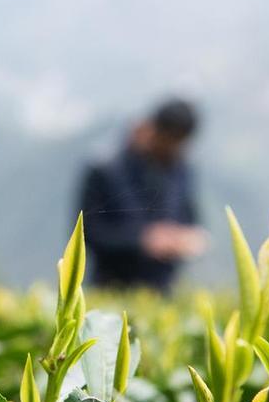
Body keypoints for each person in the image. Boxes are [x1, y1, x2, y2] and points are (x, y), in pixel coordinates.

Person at [78, 98, 207, 292]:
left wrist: (184, 239)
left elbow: (190, 218)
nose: (172, 150)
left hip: (162, 291)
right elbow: (87, 232)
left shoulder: (181, 171)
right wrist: (142, 240)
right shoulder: (105, 169)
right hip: (111, 289)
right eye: (168, 141)